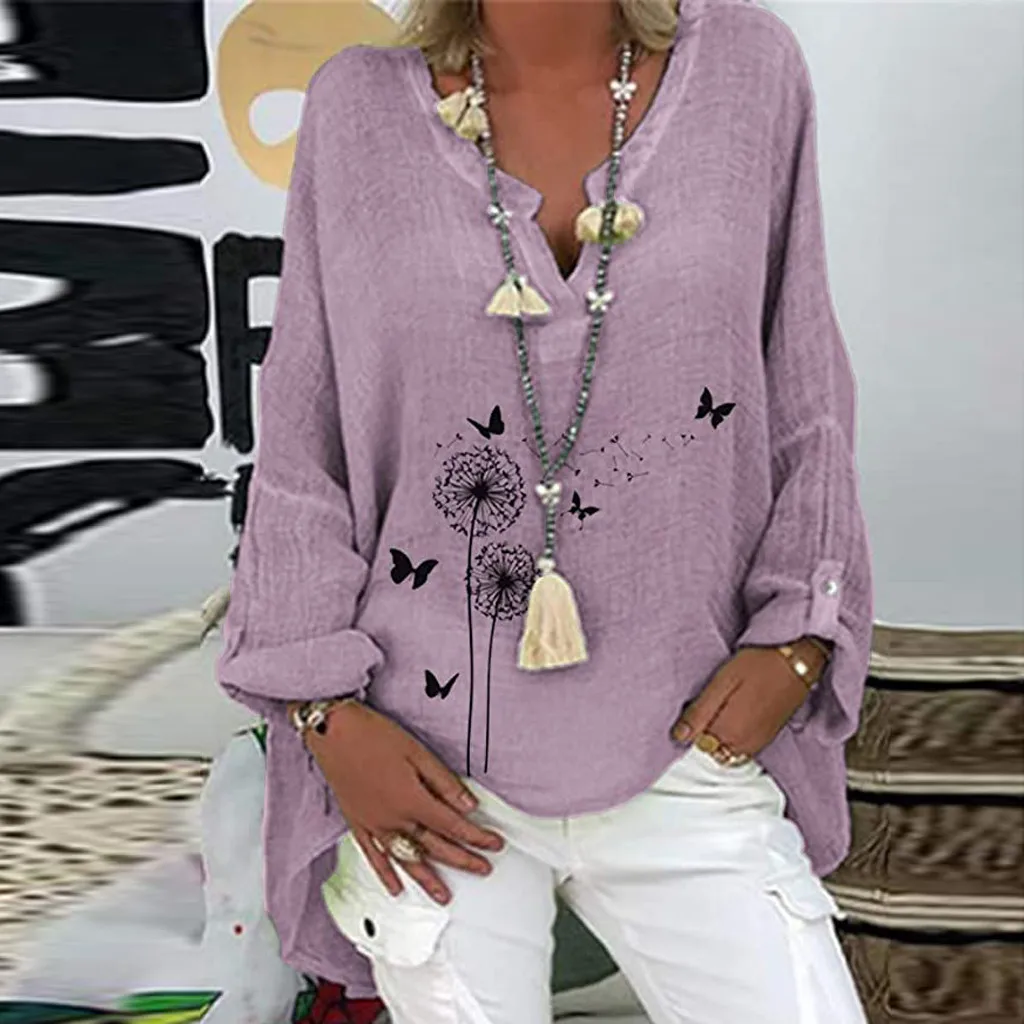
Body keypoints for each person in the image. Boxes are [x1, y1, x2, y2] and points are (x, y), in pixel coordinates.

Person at [216, 0, 874, 1021]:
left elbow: (805, 385)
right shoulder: (357, 109)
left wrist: (801, 632)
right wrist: (325, 715)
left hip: (685, 728)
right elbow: (306, 431)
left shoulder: (748, 70)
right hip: (423, 759)